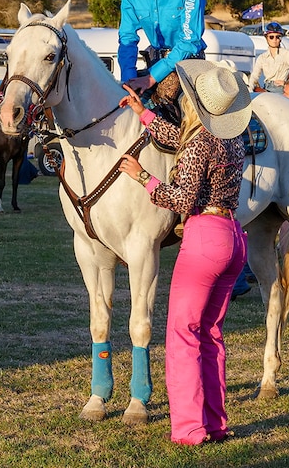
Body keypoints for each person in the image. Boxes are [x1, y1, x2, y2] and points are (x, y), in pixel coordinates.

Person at [118, 59, 250, 446]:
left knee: (183, 334)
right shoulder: (230, 138)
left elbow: (181, 196)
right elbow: (185, 141)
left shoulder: (199, 142)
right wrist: (145, 116)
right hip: (232, 236)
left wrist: (142, 176)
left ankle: (191, 429)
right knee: (210, 334)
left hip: (205, 238)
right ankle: (215, 422)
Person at [248, 22, 289, 93]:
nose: (275, 39)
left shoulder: (287, 54)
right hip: (266, 88)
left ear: (280, 39)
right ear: (266, 38)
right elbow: (255, 75)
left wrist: (288, 83)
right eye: (271, 37)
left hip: (281, 90)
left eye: (278, 37)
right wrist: (250, 87)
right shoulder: (262, 57)